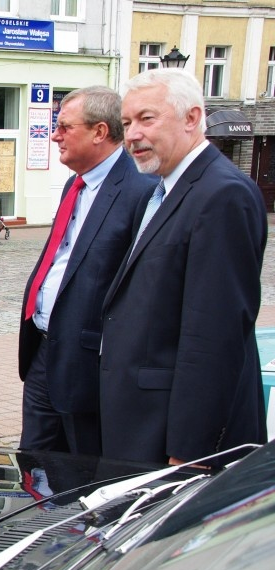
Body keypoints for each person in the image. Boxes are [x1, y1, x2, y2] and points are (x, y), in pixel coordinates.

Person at [101, 68, 267, 465]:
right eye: (126, 123)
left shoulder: (222, 194)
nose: (133, 135)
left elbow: (215, 334)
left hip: (177, 438)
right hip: (144, 421)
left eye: (146, 118)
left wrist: (190, 450)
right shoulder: (161, 190)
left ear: (192, 118)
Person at [18, 86, 157, 456]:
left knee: (83, 471)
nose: (54, 135)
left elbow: (142, 289)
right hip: (43, 350)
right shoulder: (73, 185)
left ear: (99, 131)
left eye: (64, 126)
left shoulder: (141, 190)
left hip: (90, 364)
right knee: (32, 463)